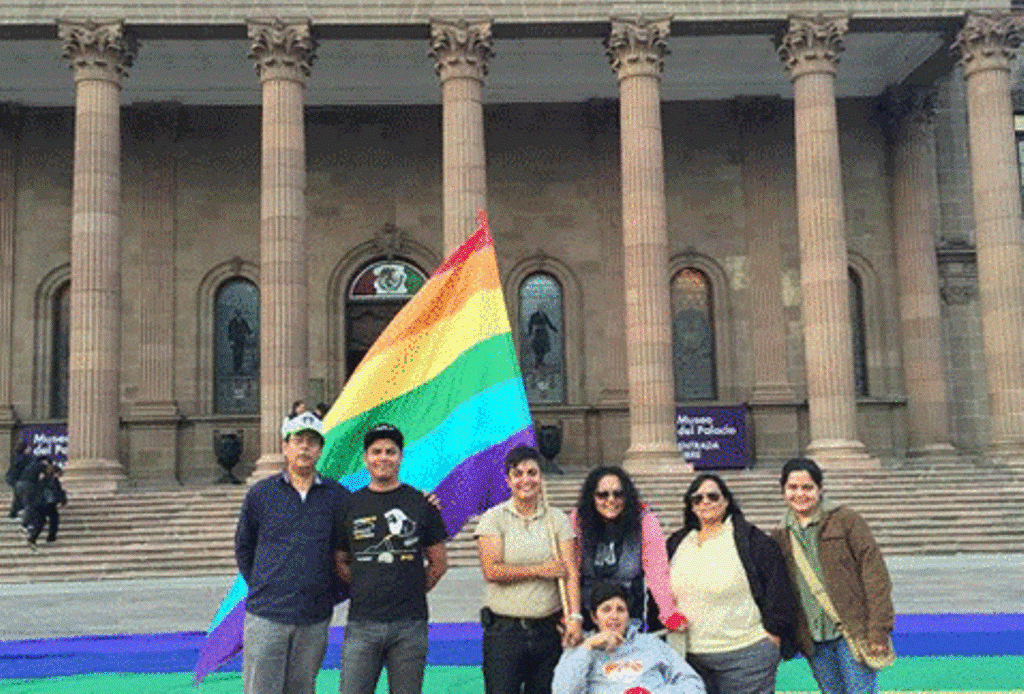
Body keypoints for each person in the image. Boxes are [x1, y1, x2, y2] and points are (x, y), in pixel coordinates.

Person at [235, 410, 350, 694]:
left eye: (312, 442)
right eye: (298, 441)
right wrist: (265, 584)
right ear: (285, 447)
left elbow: (346, 549)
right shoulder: (262, 494)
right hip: (268, 614)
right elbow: (244, 547)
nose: (304, 448)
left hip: (313, 617)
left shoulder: (337, 497)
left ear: (320, 450)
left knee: (302, 687)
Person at [336, 423, 448, 694]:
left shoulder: (421, 503)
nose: (383, 457)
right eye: (376, 452)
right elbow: (340, 561)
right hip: (362, 623)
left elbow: (438, 563)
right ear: (365, 458)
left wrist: (411, 586)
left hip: (410, 624)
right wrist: (366, 584)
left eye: (390, 451)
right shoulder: (349, 505)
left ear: (401, 457)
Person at [771, 458, 895, 694]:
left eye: (807, 487)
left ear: (820, 489)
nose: (800, 494)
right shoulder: (780, 535)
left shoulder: (846, 521)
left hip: (852, 632)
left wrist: (879, 628)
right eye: (793, 487)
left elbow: (875, 575)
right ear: (783, 491)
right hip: (814, 640)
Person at [665, 474, 795, 694]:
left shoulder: (752, 540)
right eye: (697, 498)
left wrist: (773, 632)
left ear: (726, 501)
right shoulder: (677, 543)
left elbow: (778, 586)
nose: (705, 502)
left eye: (713, 496)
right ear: (691, 506)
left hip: (745, 655)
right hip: (690, 658)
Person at [475, 445, 583, 694]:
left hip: (547, 631)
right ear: (508, 481)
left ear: (541, 477)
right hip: (505, 633)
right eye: (518, 474)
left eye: (532, 473)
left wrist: (575, 617)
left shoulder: (557, 520)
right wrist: (539, 570)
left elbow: (570, 572)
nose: (526, 480)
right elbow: (492, 571)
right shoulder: (493, 518)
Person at [571, 466, 686, 632]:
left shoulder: (645, 521)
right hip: (587, 616)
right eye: (602, 495)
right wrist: (570, 615)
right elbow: (571, 571)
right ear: (592, 497)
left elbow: (657, 572)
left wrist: (668, 612)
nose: (611, 500)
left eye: (618, 494)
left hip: (629, 617)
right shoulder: (578, 520)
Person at [552, 582, 705, 694]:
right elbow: (563, 691)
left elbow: (693, 684)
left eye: (620, 610)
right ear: (594, 617)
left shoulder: (650, 644)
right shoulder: (581, 650)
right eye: (606, 610)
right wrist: (588, 645)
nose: (614, 616)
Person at [23, 457, 66, 547]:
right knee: (54, 518)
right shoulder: (52, 480)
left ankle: (33, 537)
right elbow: (57, 491)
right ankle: (51, 536)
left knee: (41, 521)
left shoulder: (40, 480)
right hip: (48, 503)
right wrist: (62, 500)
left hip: (39, 503)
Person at [7, 439, 32, 519]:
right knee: (24, 498)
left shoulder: (18, 457)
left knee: (18, 496)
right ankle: (17, 513)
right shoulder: (24, 458)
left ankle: (13, 512)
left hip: (15, 480)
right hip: (19, 480)